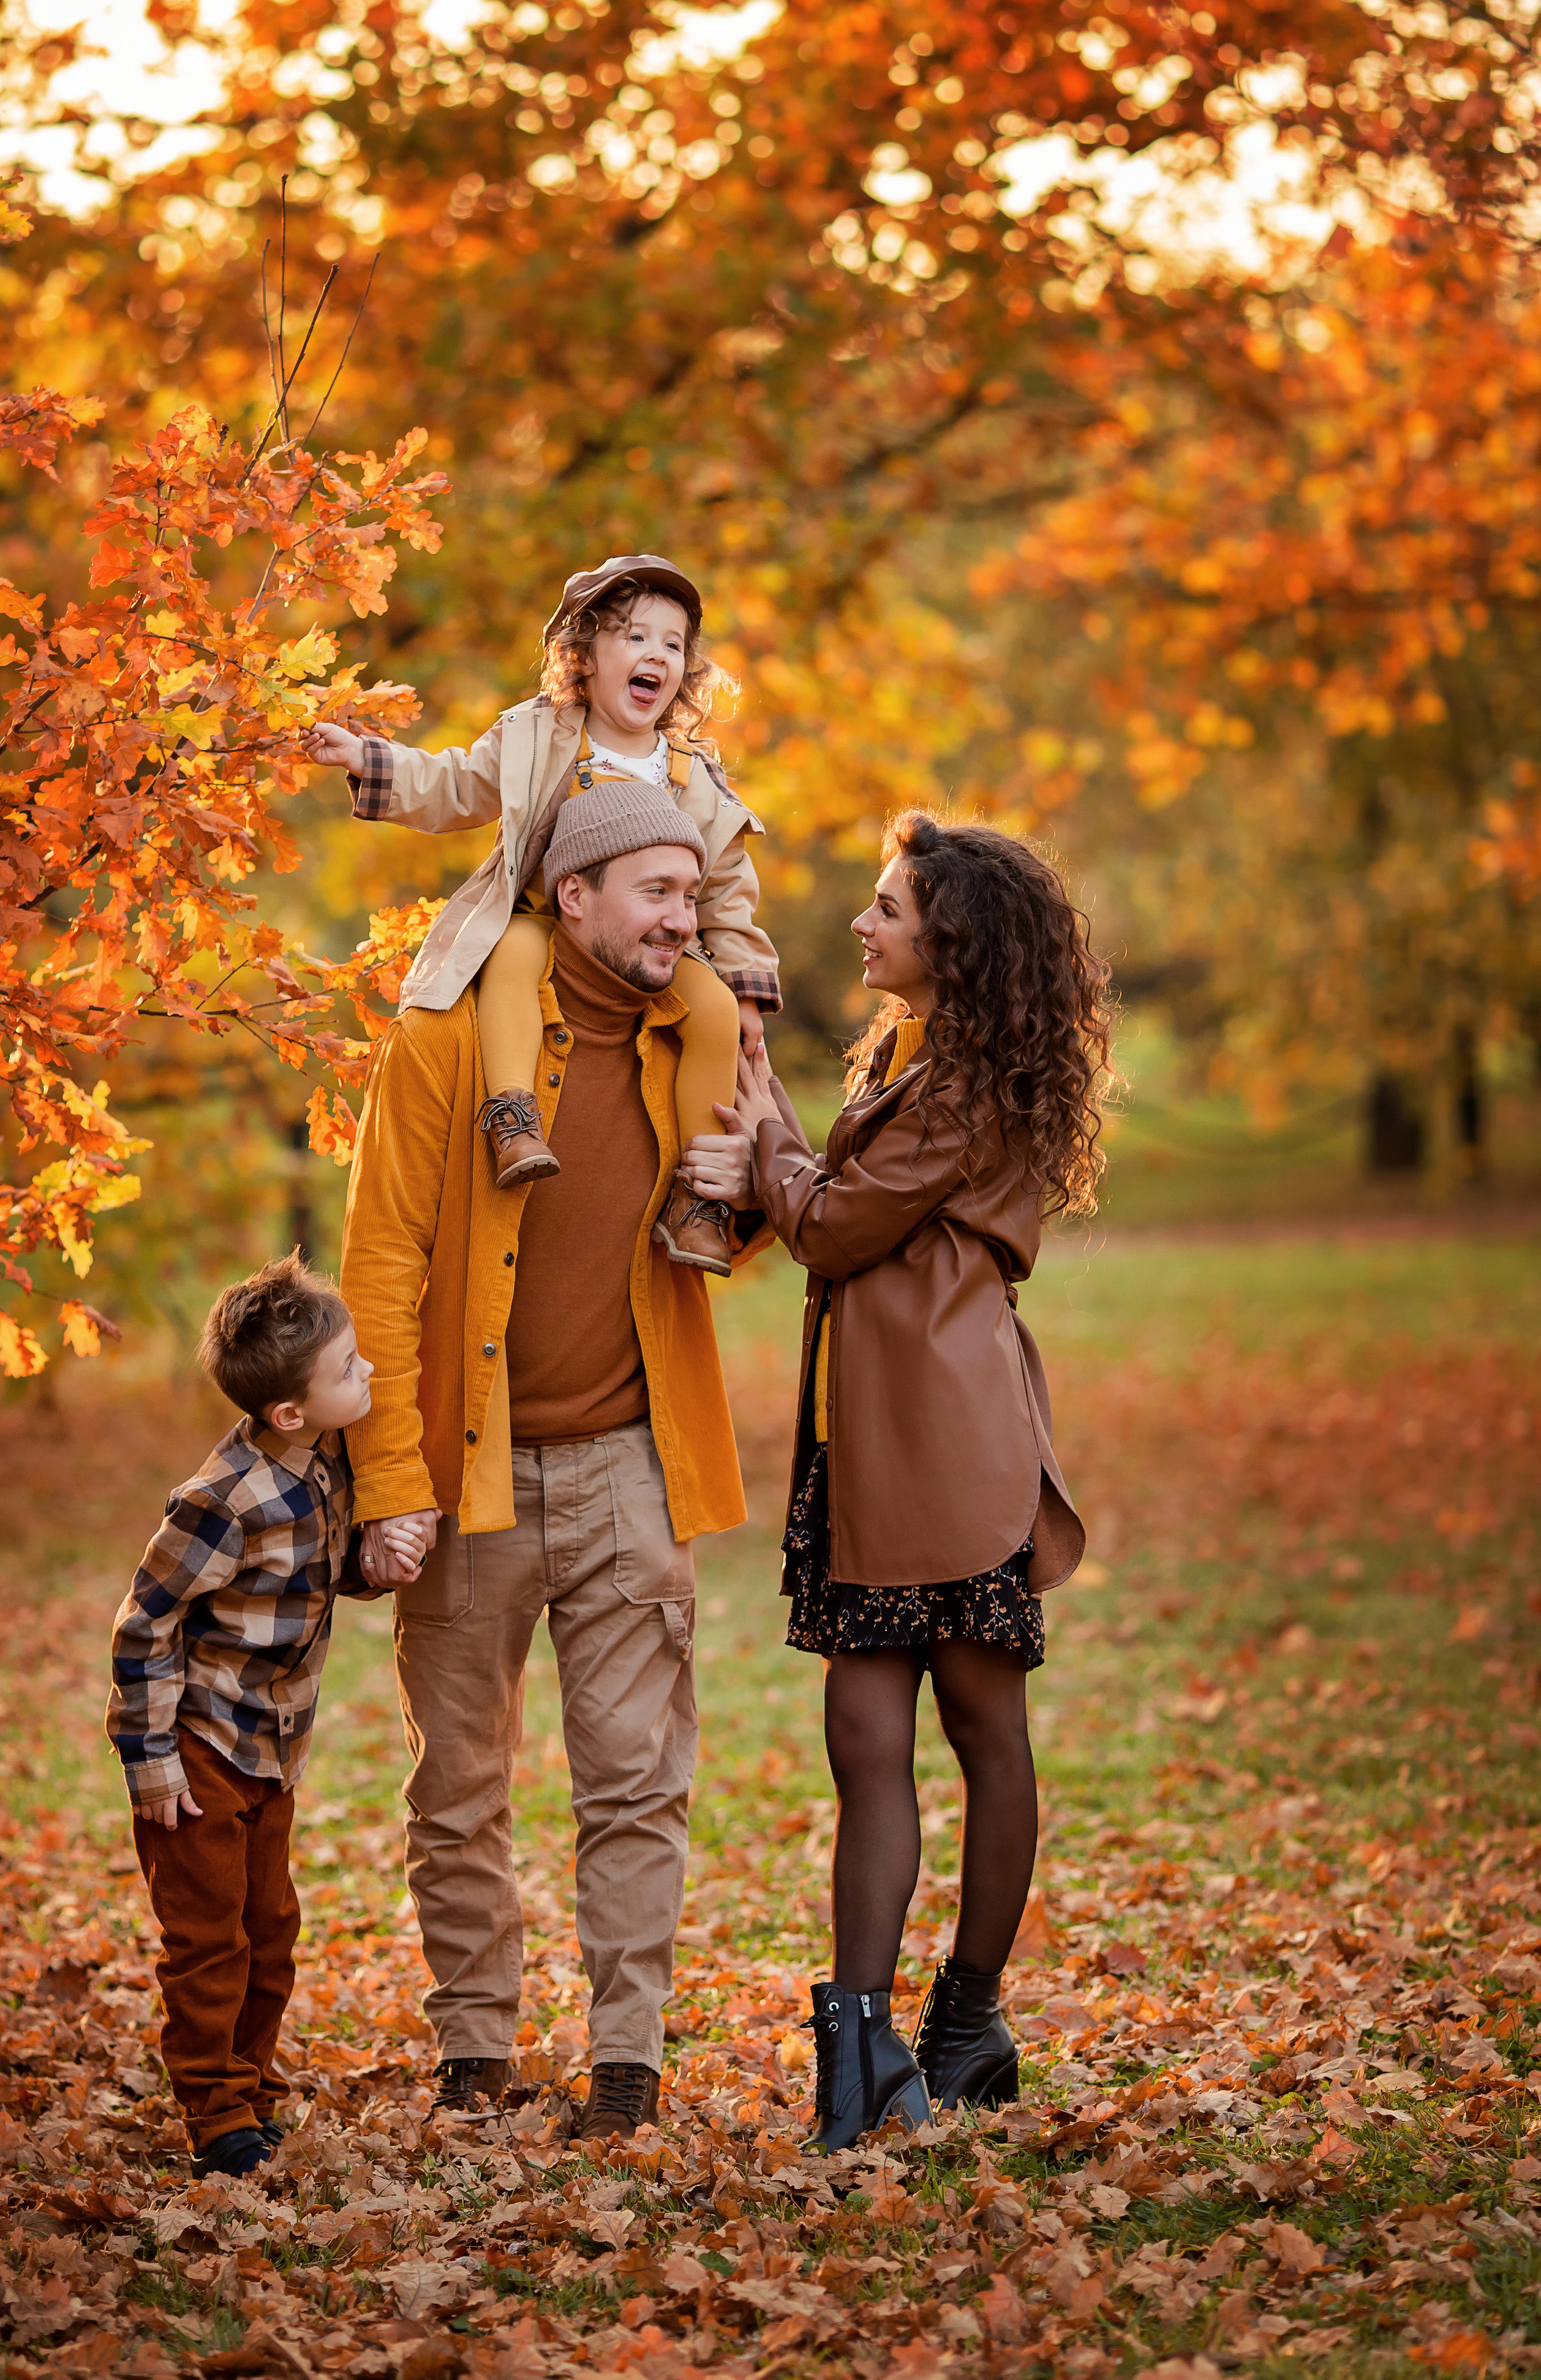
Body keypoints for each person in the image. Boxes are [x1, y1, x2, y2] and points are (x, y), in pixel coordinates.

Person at [685, 812, 1112, 2150]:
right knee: (866, 1738)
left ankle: (968, 2019)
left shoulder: (974, 1084)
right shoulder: (915, 1057)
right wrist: (771, 1112)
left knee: (986, 1734)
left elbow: (826, 1223)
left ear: (952, 942)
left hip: (951, 1439)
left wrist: (768, 1143)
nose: (863, 926)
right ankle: (862, 2046)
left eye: (887, 909)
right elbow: (837, 1195)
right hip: (875, 1439)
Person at [339, 780, 758, 2141]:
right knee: (458, 1778)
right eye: (656, 891)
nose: (681, 918)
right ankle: (476, 2050)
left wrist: (743, 1186)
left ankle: (627, 2062)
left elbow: (745, 1225)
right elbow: (382, 1263)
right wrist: (391, 1479)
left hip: (635, 1461)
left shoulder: (699, 1031)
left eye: (692, 894)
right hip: (468, 1474)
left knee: (638, 1779)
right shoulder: (449, 1038)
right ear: (571, 896)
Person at [306, 552, 781, 1276]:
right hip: (542, 916)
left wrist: (746, 988)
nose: (655, 654)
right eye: (632, 636)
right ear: (582, 656)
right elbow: (456, 786)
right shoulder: (540, 735)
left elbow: (724, 886)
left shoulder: (692, 773)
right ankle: (512, 1118)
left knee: (713, 1012)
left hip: (649, 949)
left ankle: (699, 1196)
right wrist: (370, 759)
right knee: (513, 958)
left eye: (673, 644)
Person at [106, 1255, 435, 2177]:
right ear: (289, 1411)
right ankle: (216, 2117)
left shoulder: (324, 1463)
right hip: (200, 1750)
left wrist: (373, 1568)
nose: (367, 1374)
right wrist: (151, 1763)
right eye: (349, 1369)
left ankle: (251, 2090)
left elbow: (303, 1581)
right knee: (209, 1941)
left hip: (272, 1746)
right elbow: (143, 1626)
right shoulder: (219, 1500)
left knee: (270, 1931)